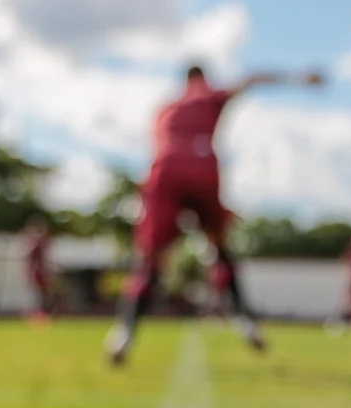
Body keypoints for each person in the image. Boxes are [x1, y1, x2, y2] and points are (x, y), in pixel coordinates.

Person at [106, 63, 323, 365]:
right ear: (203, 78)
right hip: (202, 168)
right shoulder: (209, 95)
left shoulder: (166, 107)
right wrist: (298, 78)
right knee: (220, 249)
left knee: (150, 260)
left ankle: (123, 334)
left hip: (163, 173)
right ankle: (247, 322)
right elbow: (251, 79)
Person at [22, 215, 55, 325]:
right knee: (41, 297)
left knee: (44, 296)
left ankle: (42, 316)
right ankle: (40, 317)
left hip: (41, 274)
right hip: (39, 274)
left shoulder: (40, 245)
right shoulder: (36, 246)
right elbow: (33, 262)